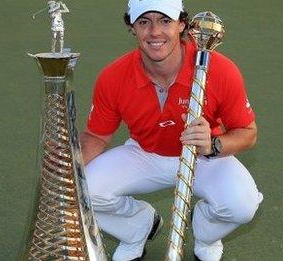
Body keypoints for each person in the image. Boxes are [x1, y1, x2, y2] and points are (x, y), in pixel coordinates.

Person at [80, 0, 263, 260]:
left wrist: (213, 145)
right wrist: (65, 173)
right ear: (132, 27)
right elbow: (97, 136)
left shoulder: (220, 69)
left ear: (182, 25)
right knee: (81, 191)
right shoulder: (113, 76)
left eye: (165, 21)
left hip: (204, 158)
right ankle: (137, 227)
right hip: (145, 153)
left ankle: (206, 232)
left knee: (241, 206)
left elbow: (248, 132)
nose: (155, 32)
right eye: (144, 22)